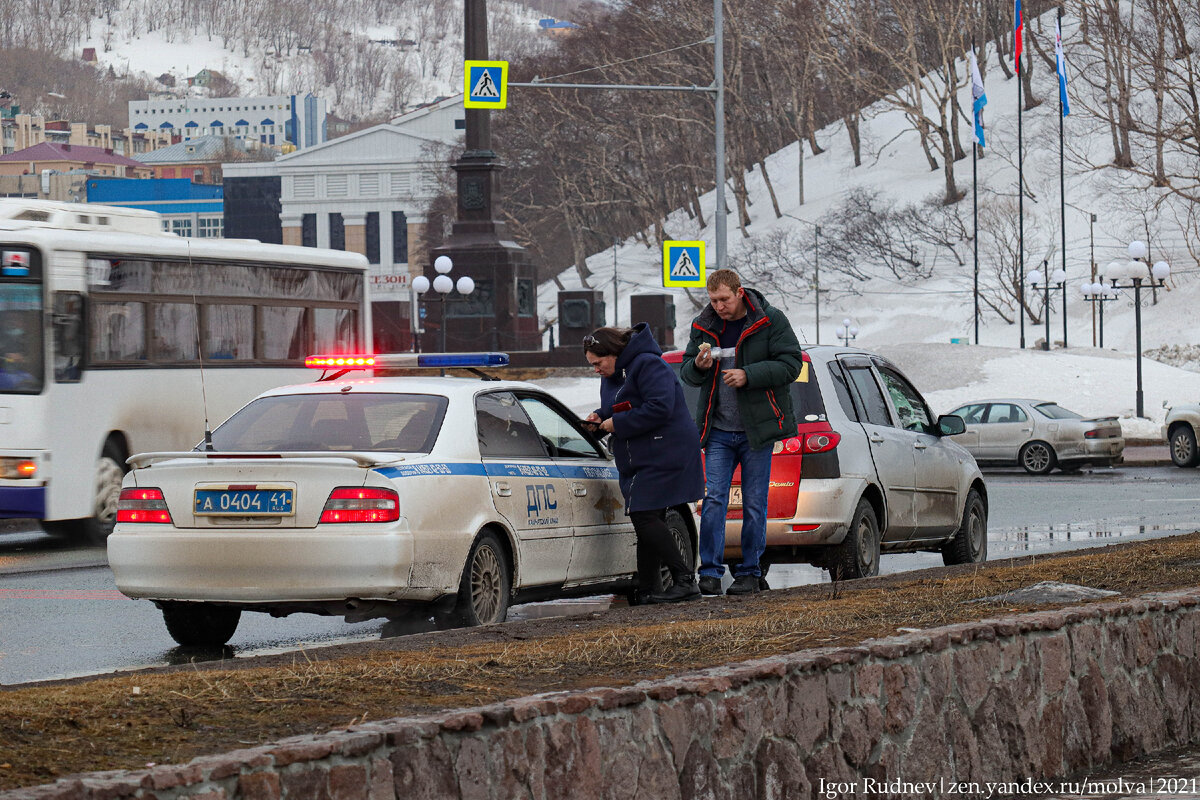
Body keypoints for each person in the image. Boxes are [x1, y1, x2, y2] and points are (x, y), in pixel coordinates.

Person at [679, 269, 803, 596]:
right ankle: (709, 572)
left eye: (724, 299)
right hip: (718, 429)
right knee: (715, 499)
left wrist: (749, 375)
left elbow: (792, 364)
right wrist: (699, 366)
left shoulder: (769, 320)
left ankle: (749, 572)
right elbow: (688, 372)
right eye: (713, 300)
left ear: (739, 292)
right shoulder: (704, 325)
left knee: (754, 503)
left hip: (755, 431)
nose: (719, 306)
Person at [584, 323, 704, 604]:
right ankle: (649, 588)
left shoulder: (649, 365)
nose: (596, 370)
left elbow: (660, 406)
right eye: (591, 365)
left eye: (598, 363)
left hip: (665, 449)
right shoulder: (614, 373)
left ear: (613, 353)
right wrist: (599, 418)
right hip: (641, 453)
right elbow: (621, 405)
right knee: (648, 517)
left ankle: (685, 579)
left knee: (644, 514)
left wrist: (617, 423)